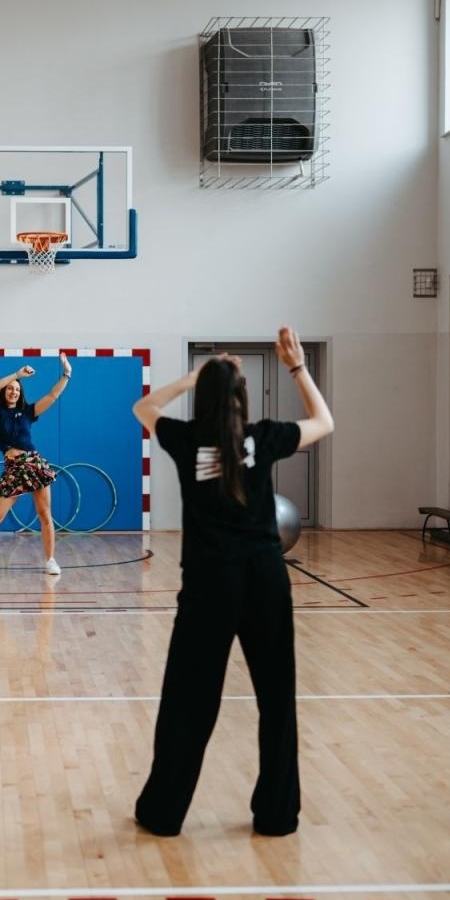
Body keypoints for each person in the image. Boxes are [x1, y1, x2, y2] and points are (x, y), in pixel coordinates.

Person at [130, 329, 333, 837]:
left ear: (203, 396)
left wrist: (192, 376)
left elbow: (143, 407)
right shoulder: (264, 437)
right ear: (242, 397)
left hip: (208, 585)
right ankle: (277, 815)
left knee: (188, 700)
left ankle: (163, 813)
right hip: (265, 580)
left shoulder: (184, 439)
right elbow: (324, 422)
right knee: (276, 697)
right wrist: (297, 368)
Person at [0, 353, 72, 577]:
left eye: (17, 389)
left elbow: (52, 395)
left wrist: (66, 374)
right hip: (13, 468)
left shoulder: (27, 412)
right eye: (10, 388)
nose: (13, 391)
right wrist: (17, 375)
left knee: (45, 514)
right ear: (6, 391)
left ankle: (50, 560)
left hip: (33, 463)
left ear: (21, 393)